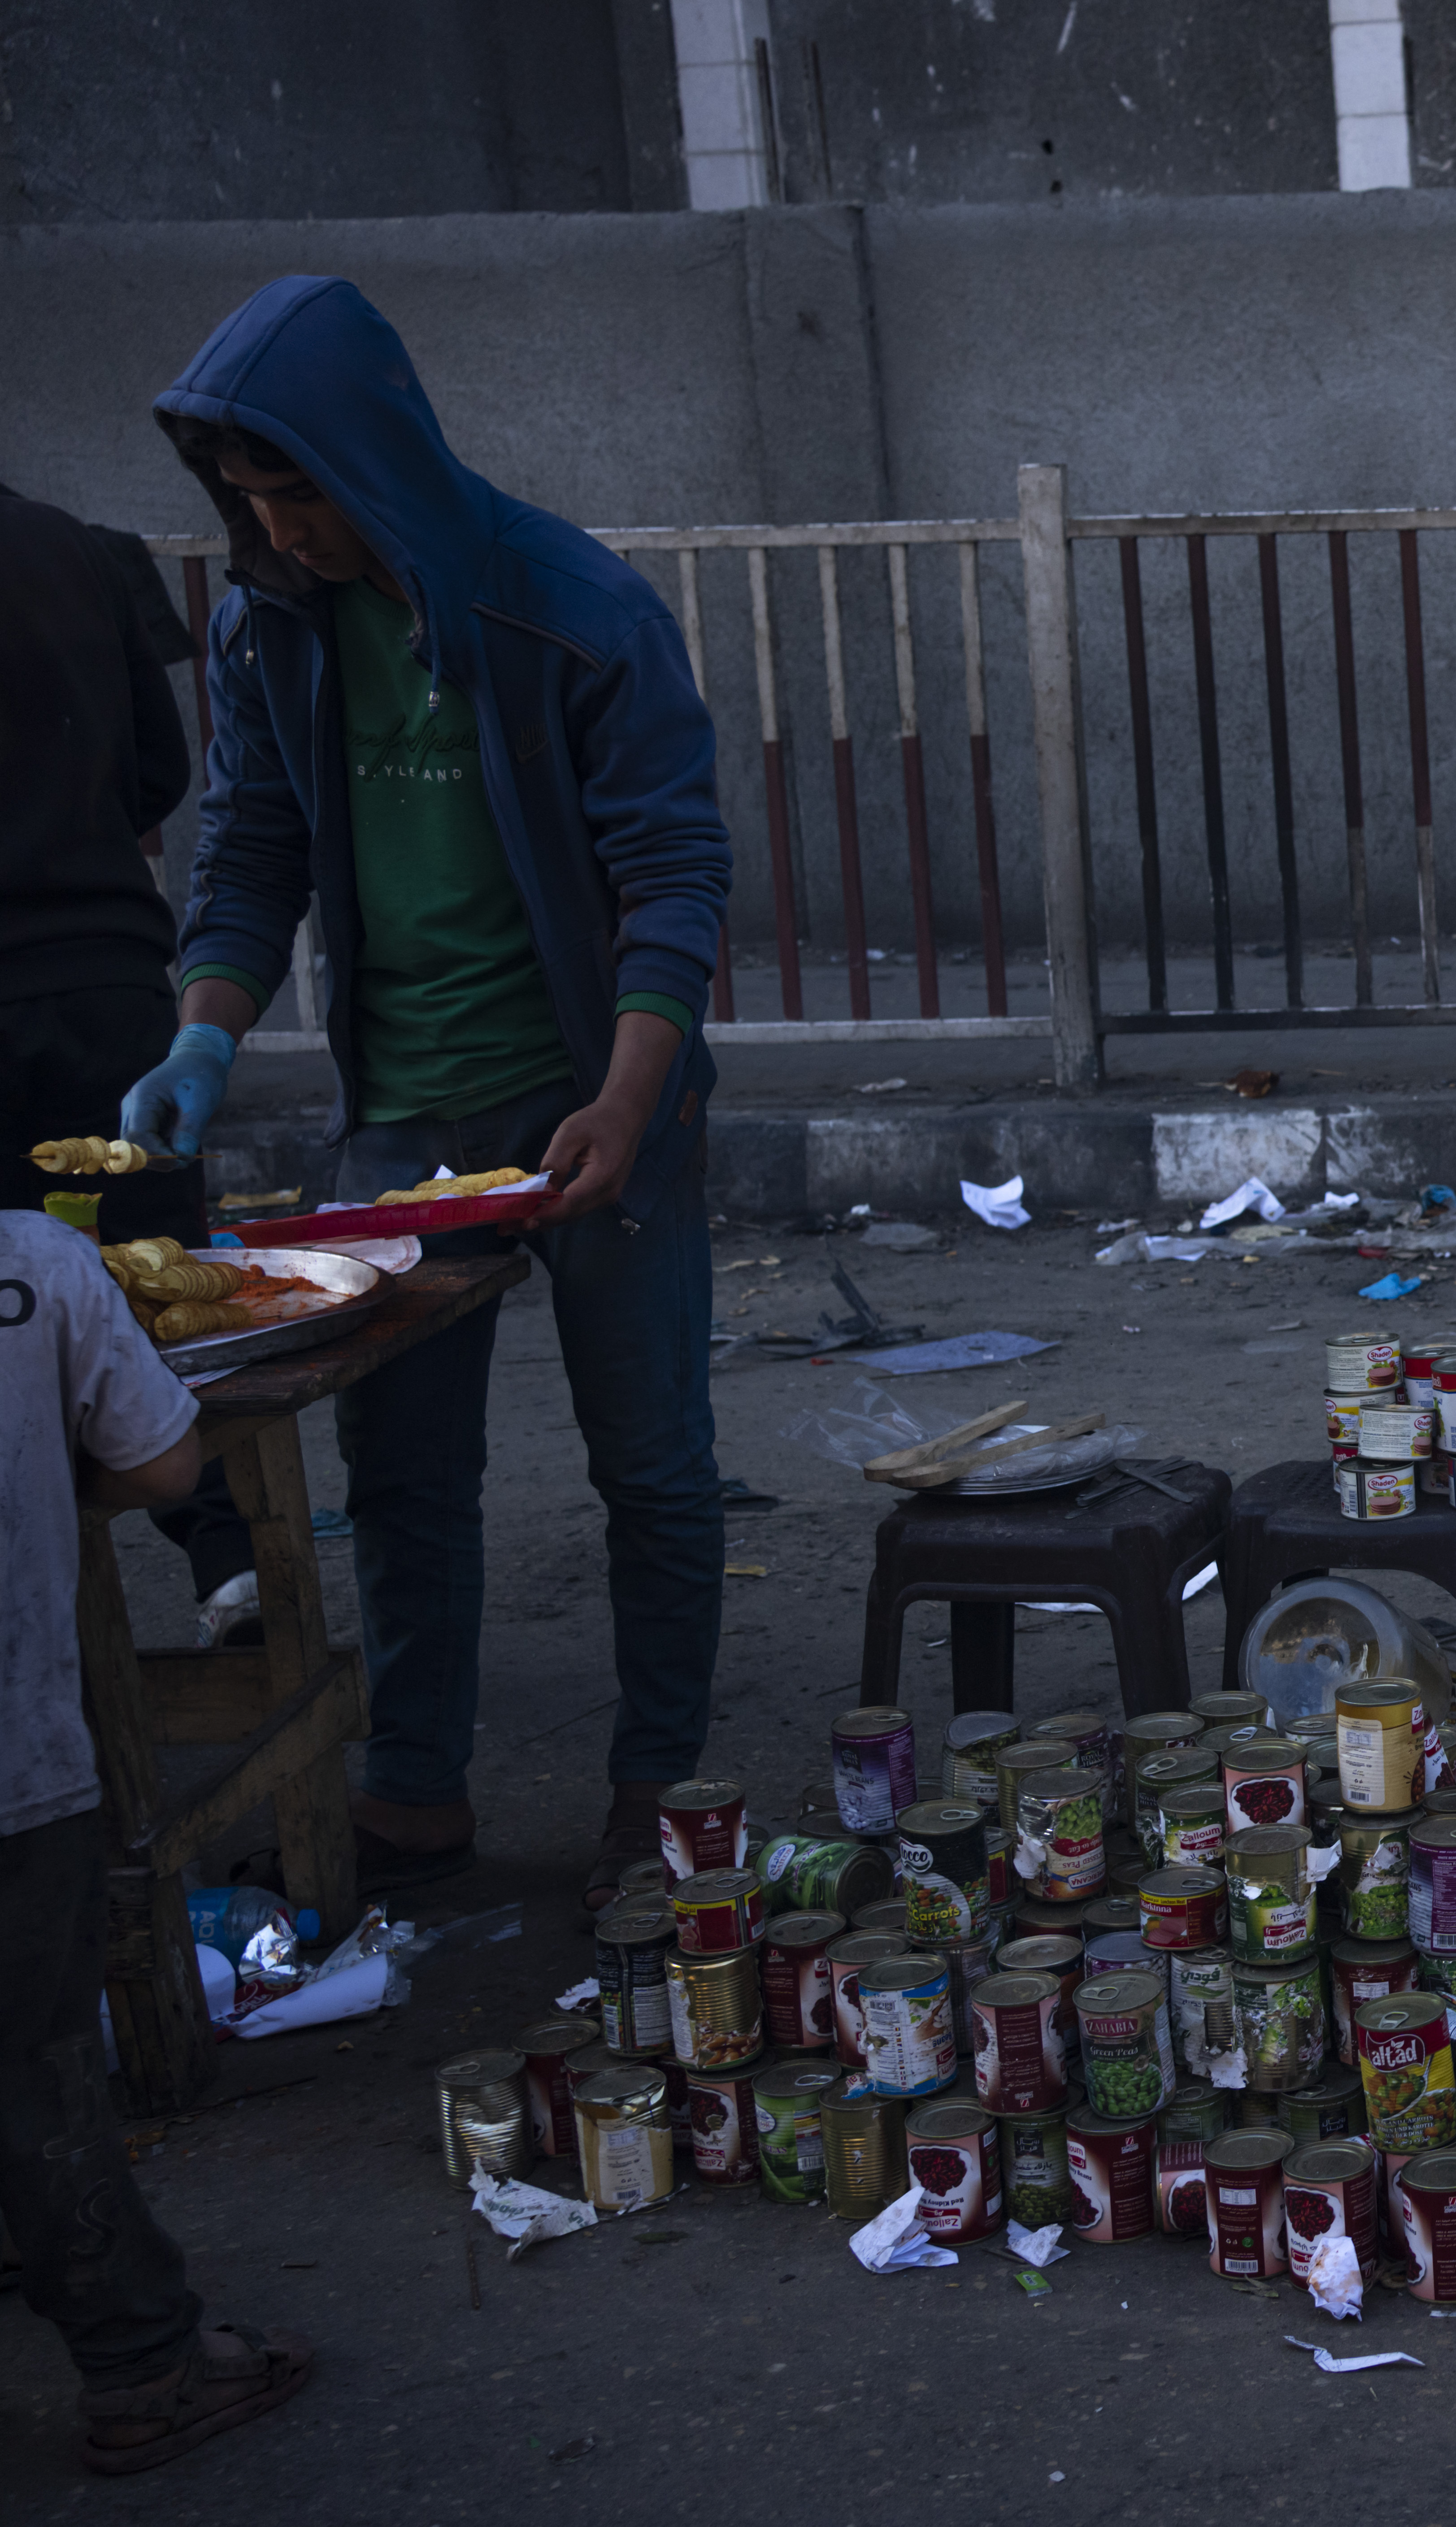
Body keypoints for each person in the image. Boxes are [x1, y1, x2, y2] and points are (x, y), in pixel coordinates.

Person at [125, 275, 733, 1914]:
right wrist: (202, 1031)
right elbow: (252, 853)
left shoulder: (572, 610)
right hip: (399, 1116)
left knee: (653, 1464)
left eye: (299, 493)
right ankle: (413, 1792)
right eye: (248, 502)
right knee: (401, 1475)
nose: (279, 530)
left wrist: (624, 1099)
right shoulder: (270, 625)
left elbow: (675, 875)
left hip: (596, 1091)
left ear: (375, 458)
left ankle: (659, 1790)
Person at [1, 1208, 317, 2473]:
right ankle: (144, 2362)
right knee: (38, 2061)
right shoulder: (34, 1261)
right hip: (15, 1770)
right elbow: (164, 1468)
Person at [0, 475, 262, 1640]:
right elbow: (161, 779)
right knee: (160, 1293)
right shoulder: (85, 549)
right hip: (106, 983)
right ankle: (232, 1560)